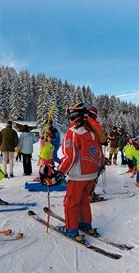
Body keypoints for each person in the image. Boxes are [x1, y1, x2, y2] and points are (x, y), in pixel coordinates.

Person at [57, 103, 103, 242]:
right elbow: (99, 153)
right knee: (83, 200)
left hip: (78, 176)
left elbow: (70, 157)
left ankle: (71, 229)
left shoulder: (73, 132)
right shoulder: (93, 132)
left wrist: (60, 171)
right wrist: (99, 166)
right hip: (92, 174)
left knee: (71, 203)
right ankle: (86, 224)